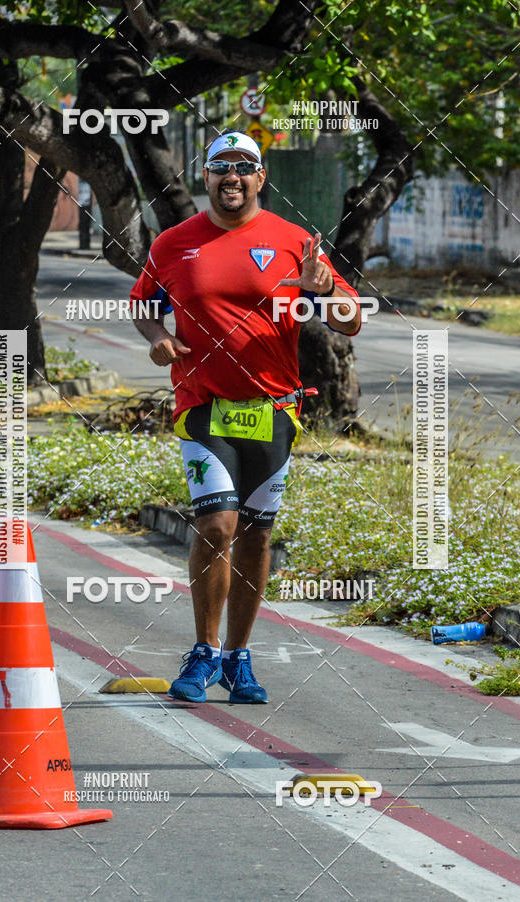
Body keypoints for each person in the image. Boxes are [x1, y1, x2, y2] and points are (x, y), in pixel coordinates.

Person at [130, 130, 360, 704]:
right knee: (216, 526)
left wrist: (326, 287)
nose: (231, 177)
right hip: (202, 404)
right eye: (220, 168)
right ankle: (204, 652)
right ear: (204, 178)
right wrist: (158, 337)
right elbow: (142, 305)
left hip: (274, 410)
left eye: (244, 167)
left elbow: (351, 320)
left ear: (261, 178)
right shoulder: (175, 244)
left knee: (257, 537)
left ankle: (238, 659)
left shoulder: (293, 242)